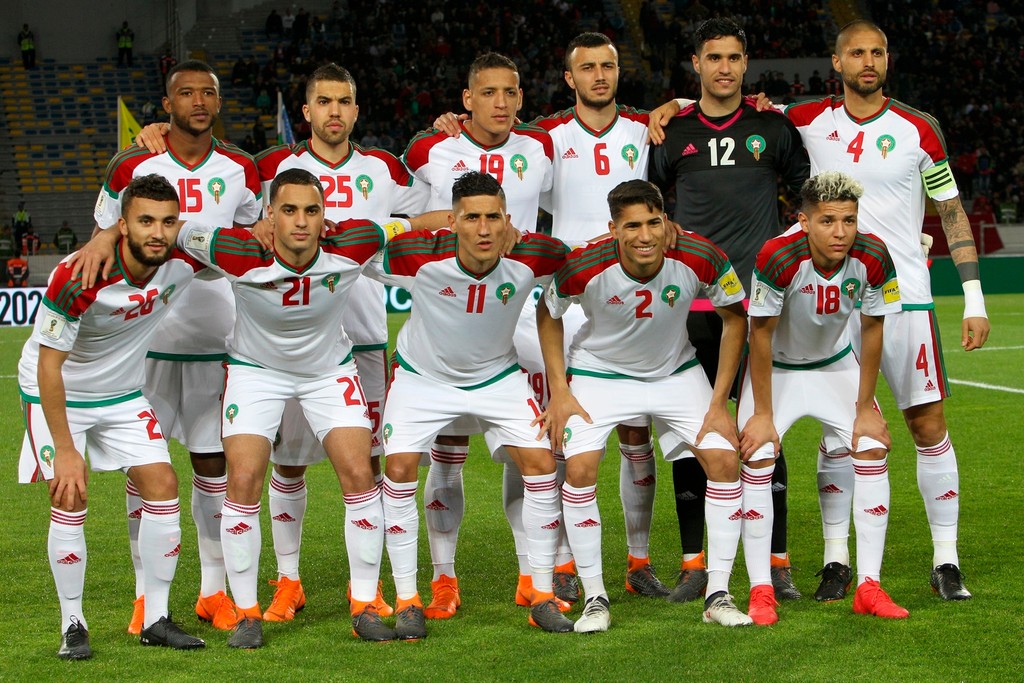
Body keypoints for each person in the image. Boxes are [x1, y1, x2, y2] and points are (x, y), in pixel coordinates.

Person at [429, 33, 667, 608]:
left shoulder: (647, 126)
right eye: (587, 67)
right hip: (555, 299)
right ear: (569, 78)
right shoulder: (545, 137)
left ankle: (638, 562)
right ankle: (551, 564)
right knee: (542, 435)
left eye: (608, 65)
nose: (599, 75)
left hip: (625, 297)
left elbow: (707, 108)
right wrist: (446, 125)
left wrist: (679, 105)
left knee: (636, 431)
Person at [783, 20, 990, 602]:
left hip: (907, 300)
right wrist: (671, 107)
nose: (868, 61)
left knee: (928, 426)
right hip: (835, 302)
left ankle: (946, 560)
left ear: (887, 60)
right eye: (857, 53)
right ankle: (836, 560)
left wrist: (973, 298)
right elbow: (737, 107)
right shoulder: (805, 119)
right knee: (837, 432)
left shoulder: (918, 128)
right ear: (837, 62)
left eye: (877, 52)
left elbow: (951, 212)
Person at [168, 168, 405, 648]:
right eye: (289, 210)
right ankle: (247, 614)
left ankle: (363, 605)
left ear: (325, 217)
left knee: (360, 474)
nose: (301, 221)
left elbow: (414, 223)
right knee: (243, 480)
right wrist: (102, 239)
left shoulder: (353, 242)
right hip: (255, 371)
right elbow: (171, 228)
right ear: (269, 215)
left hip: (328, 370)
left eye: (311, 211)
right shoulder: (234, 249)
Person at [253, 63, 431, 621]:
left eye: (344, 101)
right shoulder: (271, 168)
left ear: (356, 110)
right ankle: (288, 580)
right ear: (306, 111)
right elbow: (236, 221)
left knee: (368, 466)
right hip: (290, 342)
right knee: (288, 464)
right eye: (324, 101)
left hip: (364, 337)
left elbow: (428, 212)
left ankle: (368, 584)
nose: (335, 111)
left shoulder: (384, 168)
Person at [90, 59, 262, 634]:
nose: (198, 101)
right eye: (186, 93)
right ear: (167, 105)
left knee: (213, 464)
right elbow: (104, 235)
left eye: (207, 92)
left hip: (217, 334)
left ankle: (213, 592)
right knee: (144, 471)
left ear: (219, 102)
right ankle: (146, 596)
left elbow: (253, 234)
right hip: (146, 342)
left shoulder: (240, 167)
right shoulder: (133, 163)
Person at [366, 171, 574, 636]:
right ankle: (410, 599)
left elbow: (594, 257)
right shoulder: (417, 254)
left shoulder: (535, 254)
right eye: (472, 218)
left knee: (541, 464)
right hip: (423, 379)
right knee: (398, 469)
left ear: (508, 220)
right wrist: (409, 222)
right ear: (453, 221)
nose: (484, 229)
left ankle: (540, 592)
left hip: (497, 377)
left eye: (493, 218)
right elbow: (349, 247)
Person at [536, 179, 750, 631]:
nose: (646, 236)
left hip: (675, 371)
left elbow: (735, 317)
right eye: (632, 226)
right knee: (580, 469)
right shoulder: (584, 264)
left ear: (665, 220)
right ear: (613, 228)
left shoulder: (700, 254)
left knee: (725, 462)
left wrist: (719, 402)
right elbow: (547, 313)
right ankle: (596, 597)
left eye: (653, 222)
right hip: (600, 373)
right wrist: (559, 389)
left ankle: (718, 593)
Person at [647, 17, 810, 604]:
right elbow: (653, 206)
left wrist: (783, 253)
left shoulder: (773, 127)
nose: (724, 68)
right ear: (696, 64)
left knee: (764, 428)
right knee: (695, 431)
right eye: (713, 57)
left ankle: (777, 564)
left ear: (746, 63)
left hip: (759, 303)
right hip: (693, 303)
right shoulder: (671, 131)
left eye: (734, 58)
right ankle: (695, 565)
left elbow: (806, 197)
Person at [17, 174, 206, 659]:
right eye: (145, 221)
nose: (157, 233)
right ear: (122, 225)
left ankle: (156, 618)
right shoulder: (78, 275)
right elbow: (48, 366)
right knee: (70, 494)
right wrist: (65, 451)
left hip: (122, 394)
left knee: (163, 485)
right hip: (57, 391)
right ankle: (73, 624)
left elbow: (240, 246)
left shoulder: (182, 261)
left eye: (167, 222)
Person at [401, 52, 555, 619]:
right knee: (448, 455)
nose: (500, 102)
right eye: (488, 92)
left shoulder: (540, 149)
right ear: (467, 100)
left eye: (510, 92)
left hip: (521, 313)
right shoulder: (429, 150)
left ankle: (534, 572)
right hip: (451, 315)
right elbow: (402, 212)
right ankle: (443, 578)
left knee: (531, 453)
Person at [737, 171, 908, 625]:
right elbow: (760, 333)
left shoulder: (873, 254)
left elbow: (872, 327)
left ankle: (869, 586)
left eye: (849, 220)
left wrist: (865, 408)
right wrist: (762, 413)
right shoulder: (777, 255)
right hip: (778, 371)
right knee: (758, 455)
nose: (840, 232)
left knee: (871, 447)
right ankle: (760, 591)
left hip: (835, 365)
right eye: (828, 221)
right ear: (804, 221)